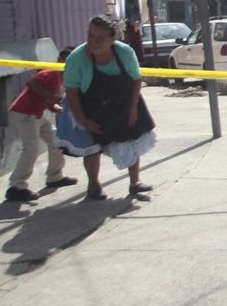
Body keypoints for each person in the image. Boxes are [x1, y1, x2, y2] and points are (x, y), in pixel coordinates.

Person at [62, 15, 157, 200]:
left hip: (124, 101)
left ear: (113, 39)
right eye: (90, 36)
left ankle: (135, 183)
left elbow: (136, 79)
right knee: (91, 147)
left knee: (132, 138)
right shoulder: (76, 59)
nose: (94, 42)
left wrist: (133, 108)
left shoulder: (125, 52)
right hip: (90, 106)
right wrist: (84, 120)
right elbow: (72, 92)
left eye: (100, 38)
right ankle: (93, 186)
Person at [5, 47, 78, 202]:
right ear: (60, 60)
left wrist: (64, 111)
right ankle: (16, 187)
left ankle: (55, 177)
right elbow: (32, 82)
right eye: (68, 61)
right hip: (24, 113)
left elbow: (50, 104)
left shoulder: (61, 78)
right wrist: (52, 96)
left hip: (37, 114)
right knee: (31, 148)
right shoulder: (51, 71)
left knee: (56, 140)